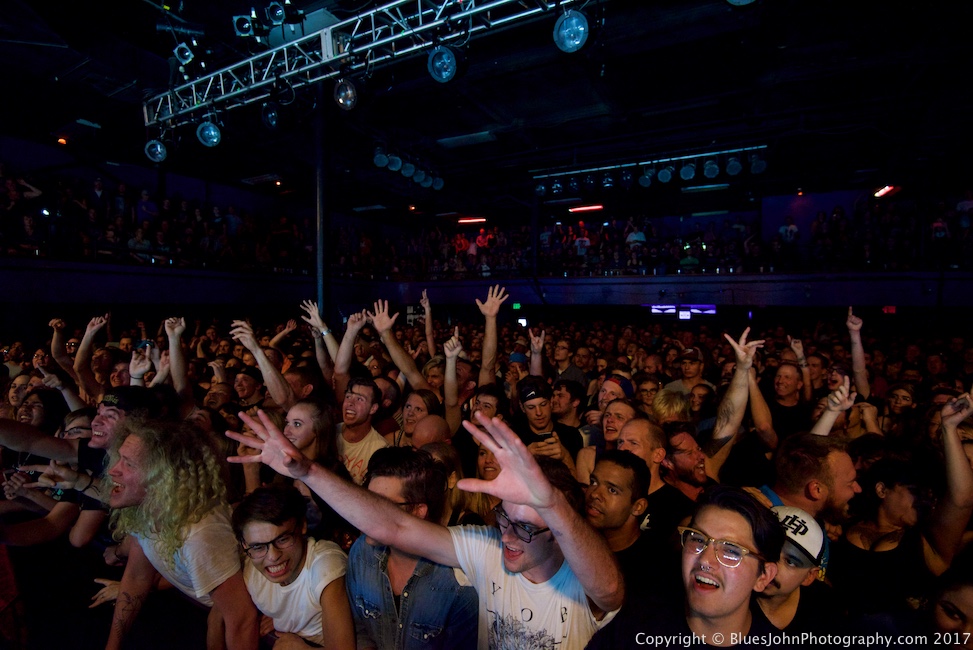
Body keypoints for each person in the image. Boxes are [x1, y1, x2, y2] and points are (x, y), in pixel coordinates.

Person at [228, 409, 624, 650]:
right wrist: (307, 470)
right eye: (503, 518)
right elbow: (395, 525)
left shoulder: (580, 577)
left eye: (525, 527)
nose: (506, 535)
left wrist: (552, 503)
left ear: (558, 529)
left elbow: (609, 590)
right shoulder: (488, 550)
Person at [105, 419, 258, 650]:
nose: (113, 470)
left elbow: (242, 620)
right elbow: (138, 576)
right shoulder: (148, 508)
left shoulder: (199, 535)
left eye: (128, 464)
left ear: (163, 477)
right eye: (119, 458)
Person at [587, 486, 784, 649]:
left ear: (764, 576)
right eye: (698, 539)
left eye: (731, 550)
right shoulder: (633, 628)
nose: (705, 560)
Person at [347, 447, 478, 649]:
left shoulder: (457, 584)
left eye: (383, 505)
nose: (367, 515)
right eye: (367, 501)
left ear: (418, 511)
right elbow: (360, 632)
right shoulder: (361, 554)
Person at [231, 485, 354, 649]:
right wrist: (282, 619)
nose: (273, 556)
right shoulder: (251, 567)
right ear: (245, 544)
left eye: (283, 539)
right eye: (258, 547)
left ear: (302, 525)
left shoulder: (325, 566)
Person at [755, 506, 838, 633]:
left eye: (790, 562)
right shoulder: (730, 595)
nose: (771, 567)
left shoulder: (825, 608)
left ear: (809, 576)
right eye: (768, 551)